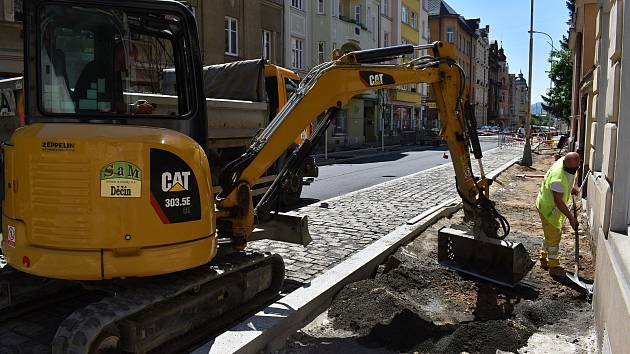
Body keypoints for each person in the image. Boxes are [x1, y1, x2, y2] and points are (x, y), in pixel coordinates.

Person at [535, 152, 581, 276]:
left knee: (550, 235)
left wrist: (575, 186)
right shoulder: (558, 178)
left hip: (550, 206)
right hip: (549, 209)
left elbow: (575, 172)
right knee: (554, 236)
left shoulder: (567, 161)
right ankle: (554, 266)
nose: (574, 171)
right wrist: (571, 218)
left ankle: (543, 258)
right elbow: (558, 201)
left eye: (576, 168)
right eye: (571, 169)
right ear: (565, 164)